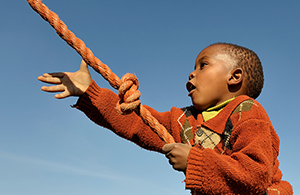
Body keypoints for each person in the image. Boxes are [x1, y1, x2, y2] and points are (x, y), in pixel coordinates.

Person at [38, 43, 293, 194]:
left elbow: (256, 175)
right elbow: (136, 123)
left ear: (234, 77)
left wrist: (195, 160)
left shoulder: (248, 112)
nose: (191, 74)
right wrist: (91, 93)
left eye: (203, 65)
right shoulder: (185, 120)